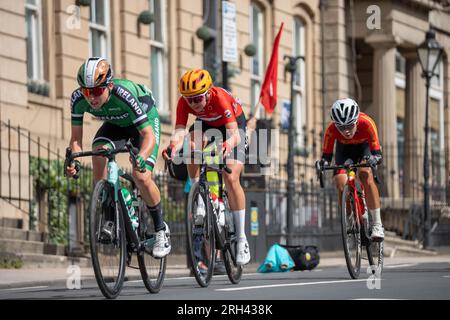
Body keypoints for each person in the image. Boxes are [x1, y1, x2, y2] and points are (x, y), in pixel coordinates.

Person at [65, 57, 171, 258]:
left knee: (141, 177)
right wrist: (75, 161)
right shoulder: (77, 99)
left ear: (110, 86)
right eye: (87, 92)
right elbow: (75, 140)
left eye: (97, 91)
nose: (91, 98)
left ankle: (160, 230)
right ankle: (109, 213)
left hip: (144, 121)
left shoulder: (124, 95)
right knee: (98, 150)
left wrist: (141, 156)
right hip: (117, 124)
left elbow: (148, 135)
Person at [162, 68, 250, 265]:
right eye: (189, 99)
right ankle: (198, 193)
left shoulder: (220, 99)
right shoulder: (185, 103)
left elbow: (235, 135)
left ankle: (242, 238)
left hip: (233, 127)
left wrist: (227, 144)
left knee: (231, 177)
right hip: (208, 124)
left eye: (197, 98)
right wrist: (173, 146)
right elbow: (178, 131)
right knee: (190, 145)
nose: (193, 104)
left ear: (209, 92)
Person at [319, 98, 384, 241]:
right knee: (340, 182)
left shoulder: (367, 123)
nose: (346, 131)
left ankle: (377, 224)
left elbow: (377, 154)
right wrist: (322, 163)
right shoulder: (331, 129)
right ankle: (352, 218)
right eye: (341, 127)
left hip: (364, 149)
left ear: (356, 121)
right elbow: (327, 155)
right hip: (344, 151)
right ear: (336, 125)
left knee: (365, 174)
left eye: (349, 125)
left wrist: (375, 159)